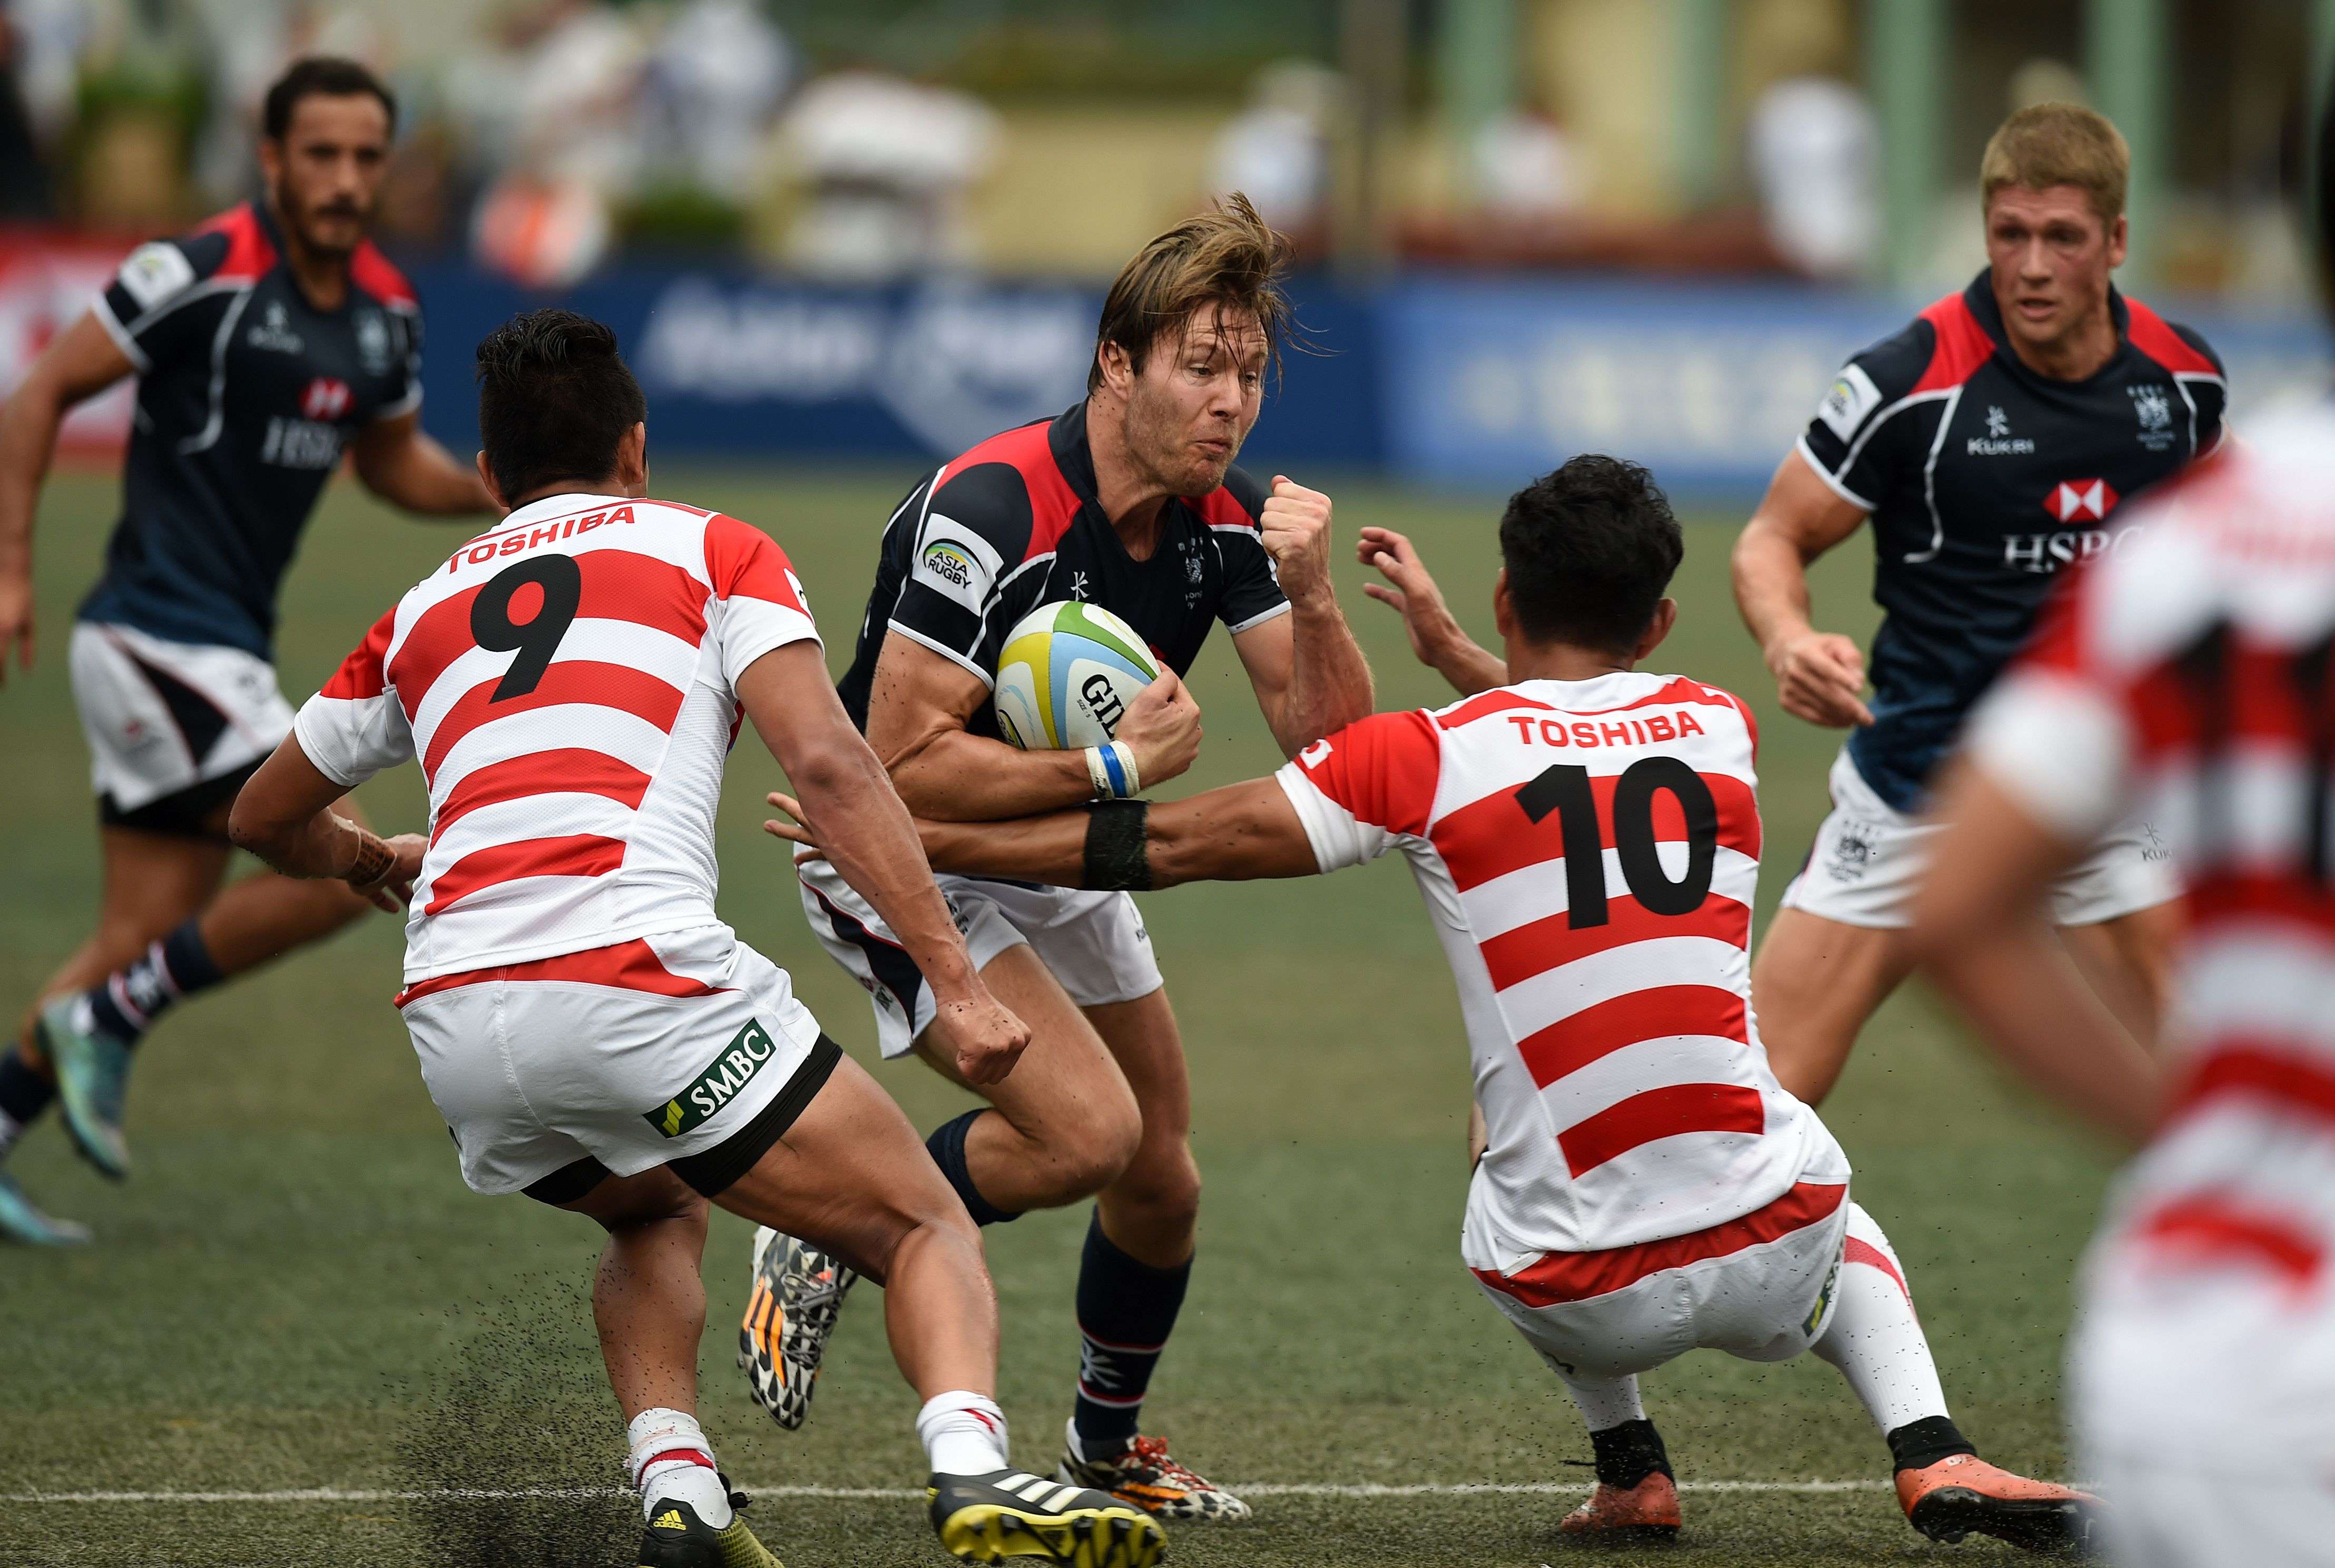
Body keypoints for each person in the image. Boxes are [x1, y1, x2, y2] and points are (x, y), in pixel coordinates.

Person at [769, 455, 2096, 1552]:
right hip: (1779, 1244)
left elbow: (1165, 848)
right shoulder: (1718, 726)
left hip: (1571, 1285)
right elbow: (1567, 740)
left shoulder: (1428, 759)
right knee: (1833, 1202)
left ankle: (1627, 1457)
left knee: (1490, 1123)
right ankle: (1930, 1448)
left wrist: (892, 829)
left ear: (1509, 597)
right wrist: (1465, 654)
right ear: (1657, 626)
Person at [227, 308, 1163, 1568]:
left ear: (490, 478)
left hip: (453, 1024)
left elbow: (262, 816)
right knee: (914, 1222)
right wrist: (955, 979)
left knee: (651, 1208)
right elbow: (830, 765)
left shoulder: (418, 609)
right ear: (638, 448)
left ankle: (679, 1495)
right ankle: (973, 1475)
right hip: (633, 982)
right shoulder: (714, 550)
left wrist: (368, 858)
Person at [741, 194, 1373, 1521]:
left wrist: (1311, 594)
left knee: (1162, 1176)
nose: (1231, 405)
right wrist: (1112, 770)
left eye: (1249, 374)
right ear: (1116, 365)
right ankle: (830, 1230)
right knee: (1089, 1134)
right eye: (1201, 367)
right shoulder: (993, 505)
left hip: (1052, 844)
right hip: (895, 850)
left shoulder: (1228, 518)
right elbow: (895, 763)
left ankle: (1105, 1445)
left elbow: (1335, 751)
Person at [1909, 82, 2335, 1565]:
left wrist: (2202, 1136)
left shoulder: (2199, 535)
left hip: (2203, 1358)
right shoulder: (1924, 382)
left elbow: (1960, 904)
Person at [0, 56, 494, 1245]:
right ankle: (108, 1019)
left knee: (136, 937)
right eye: (317, 155)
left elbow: (386, 463)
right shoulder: (201, 272)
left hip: (213, 645)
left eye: (365, 158)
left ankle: (26, 1098)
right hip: (150, 632)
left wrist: (505, 496)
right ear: (270, 161)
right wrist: (12, 562)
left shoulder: (382, 309)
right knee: (350, 861)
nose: (343, 179)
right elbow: (41, 391)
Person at [1731, 102, 2225, 1107]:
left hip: (2103, 789)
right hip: (1919, 784)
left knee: (2228, 1079)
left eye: (2063, 238)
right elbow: (1772, 537)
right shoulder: (1906, 383)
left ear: (2118, 242)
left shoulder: (2183, 385)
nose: (2033, 265)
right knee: (1756, 1107)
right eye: (2011, 235)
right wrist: (1788, 638)